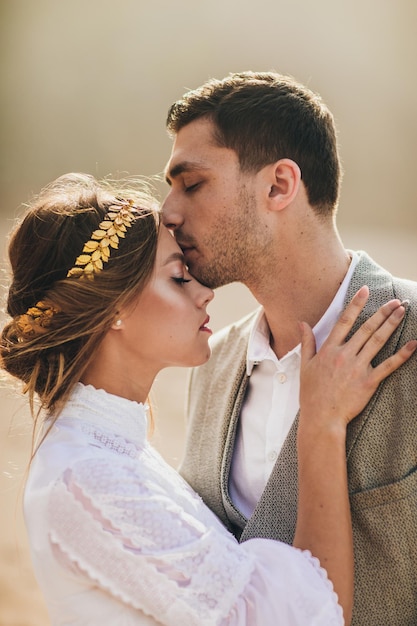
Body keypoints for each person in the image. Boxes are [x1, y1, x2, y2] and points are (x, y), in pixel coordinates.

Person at [1, 173, 414, 626]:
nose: (205, 292)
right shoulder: (90, 480)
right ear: (114, 307)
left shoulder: (114, 449)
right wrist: (321, 423)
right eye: (179, 278)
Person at [162, 71, 417, 626]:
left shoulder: (413, 337)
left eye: (192, 183)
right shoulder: (210, 365)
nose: (169, 212)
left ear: (279, 185)